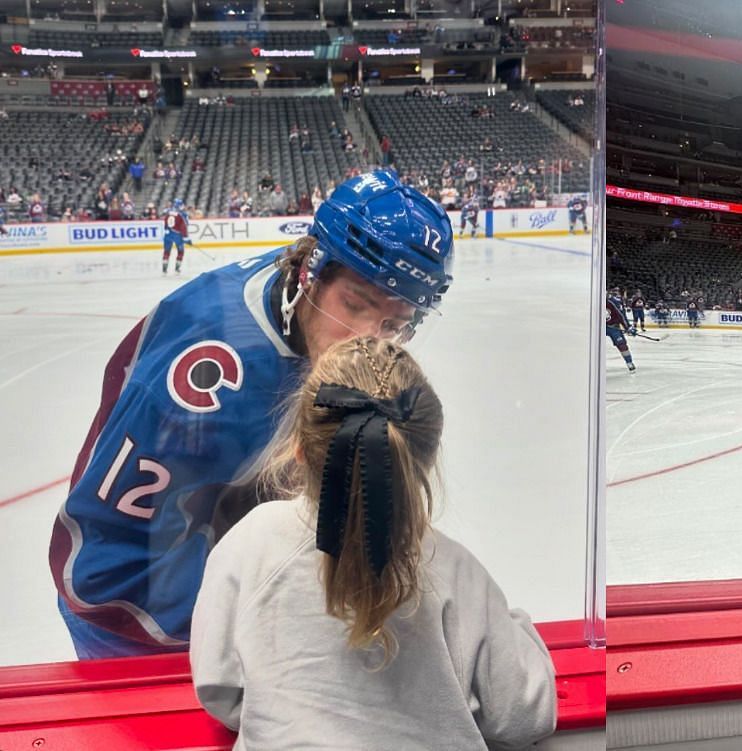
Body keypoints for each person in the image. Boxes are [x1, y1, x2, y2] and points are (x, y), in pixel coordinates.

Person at [49, 170, 455, 659]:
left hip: (220, 578)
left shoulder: (305, 306)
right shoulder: (205, 379)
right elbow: (101, 564)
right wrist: (245, 623)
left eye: (394, 324)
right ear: (310, 269)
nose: (367, 339)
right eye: (355, 304)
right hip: (136, 624)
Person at [191, 337, 556, 749]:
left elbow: (219, 687)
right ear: (425, 459)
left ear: (298, 447)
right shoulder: (456, 571)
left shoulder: (249, 544)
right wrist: (517, 626)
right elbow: (524, 716)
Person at [606, 291, 637, 372]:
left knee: (622, 344)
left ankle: (629, 362)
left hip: (613, 327)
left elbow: (621, 315)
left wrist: (628, 327)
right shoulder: (592, 301)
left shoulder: (612, 302)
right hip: (597, 328)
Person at [162, 198, 190, 274]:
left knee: (166, 251)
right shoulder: (182, 214)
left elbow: (165, 223)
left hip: (167, 234)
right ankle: (177, 268)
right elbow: (184, 226)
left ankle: (164, 269)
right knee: (181, 251)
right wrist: (186, 238)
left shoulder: (168, 212)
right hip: (177, 235)